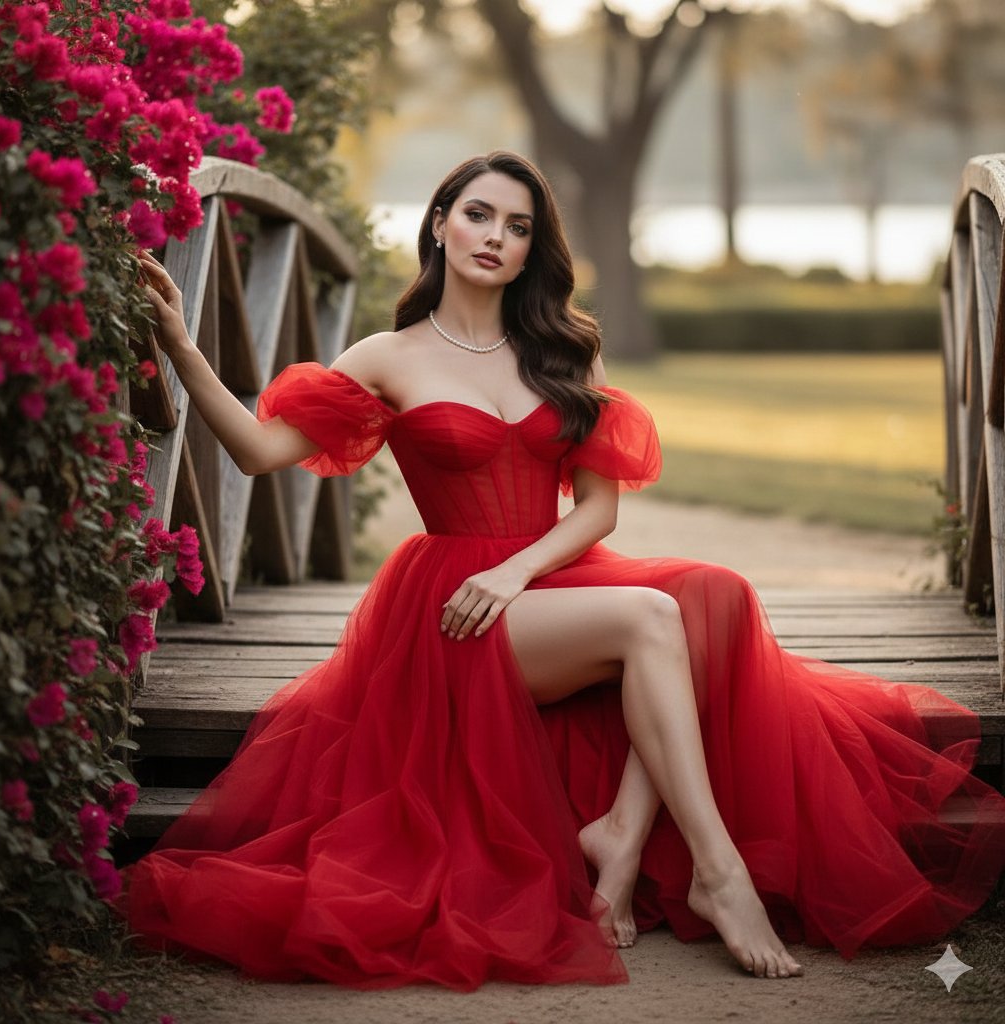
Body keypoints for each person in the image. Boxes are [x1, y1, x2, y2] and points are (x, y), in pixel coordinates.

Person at [120, 150, 1005, 991]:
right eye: (476, 214)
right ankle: (718, 870)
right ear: (438, 225)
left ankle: (623, 831)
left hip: (542, 578)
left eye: (516, 224)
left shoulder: (565, 350)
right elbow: (261, 451)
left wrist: (518, 573)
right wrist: (182, 345)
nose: (494, 235)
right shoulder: (384, 359)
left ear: (532, 248)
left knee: (715, 595)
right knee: (654, 619)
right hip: (453, 611)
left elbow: (598, 510)